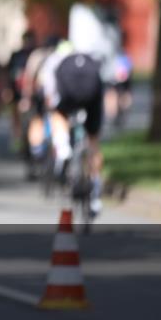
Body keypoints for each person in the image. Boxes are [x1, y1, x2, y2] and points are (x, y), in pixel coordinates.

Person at [31, 39, 106, 216]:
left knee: (59, 116)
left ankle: (63, 147)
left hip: (67, 96)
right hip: (91, 98)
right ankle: (95, 193)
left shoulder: (55, 61)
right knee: (93, 142)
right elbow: (100, 87)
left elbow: (50, 89)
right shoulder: (88, 61)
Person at [7, 30, 37, 153]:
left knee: (34, 117)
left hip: (32, 91)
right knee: (16, 116)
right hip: (17, 90)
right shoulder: (16, 55)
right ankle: (18, 138)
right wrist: (8, 90)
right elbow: (9, 74)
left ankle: (32, 141)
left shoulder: (36, 54)